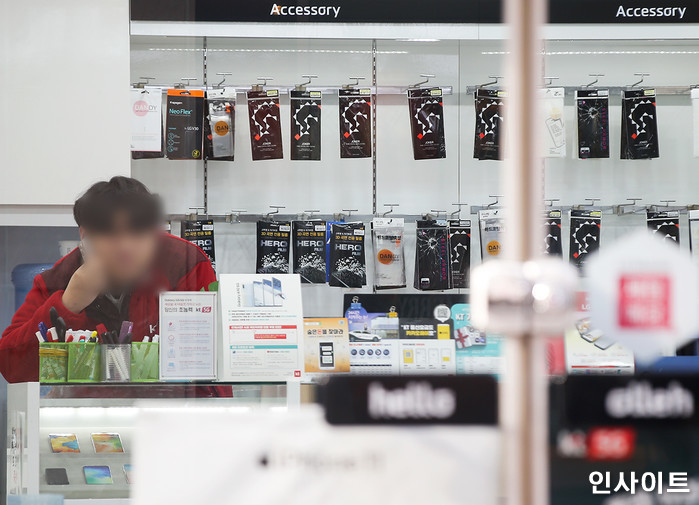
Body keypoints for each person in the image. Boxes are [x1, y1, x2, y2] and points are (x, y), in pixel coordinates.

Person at [1, 177, 217, 383]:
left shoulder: (186, 265)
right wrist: (68, 304)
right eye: (111, 234)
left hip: (170, 414)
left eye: (138, 233)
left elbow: (214, 363)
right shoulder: (60, 278)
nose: (126, 247)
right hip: (90, 416)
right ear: (86, 235)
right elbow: (11, 367)